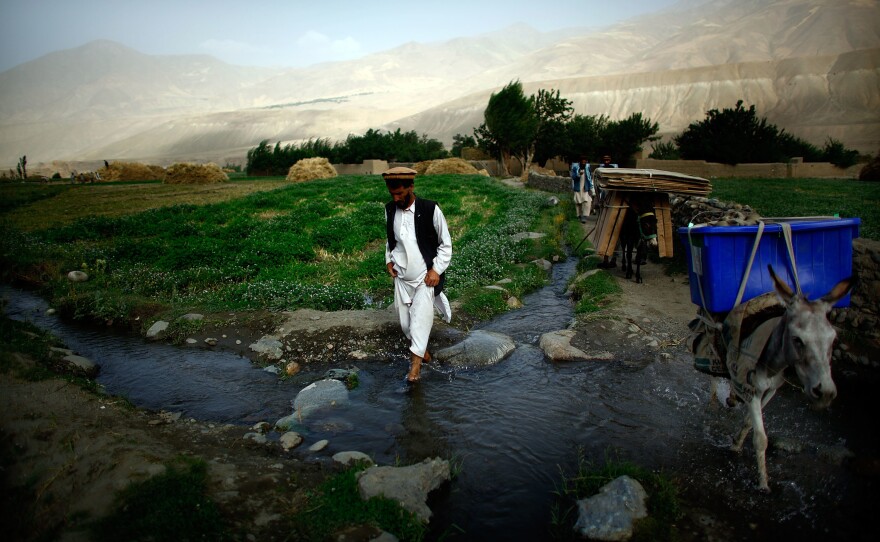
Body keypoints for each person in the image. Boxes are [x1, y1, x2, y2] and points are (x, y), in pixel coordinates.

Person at [383, 167, 453, 383]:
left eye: (400, 194)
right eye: (392, 194)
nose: (396, 199)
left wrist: (436, 270)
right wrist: (388, 260)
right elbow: (391, 240)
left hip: (425, 278)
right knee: (406, 325)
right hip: (402, 279)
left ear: (411, 187)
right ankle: (423, 353)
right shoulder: (390, 209)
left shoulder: (430, 209)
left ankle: (414, 370)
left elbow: (446, 244)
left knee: (419, 322)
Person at [569, 157, 593, 223]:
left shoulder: (587, 168)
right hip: (577, 188)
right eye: (582, 162)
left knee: (587, 202)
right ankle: (579, 215)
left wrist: (591, 187)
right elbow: (573, 177)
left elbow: (590, 178)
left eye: (585, 162)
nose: (584, 163)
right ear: (580, 162)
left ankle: (584, 216)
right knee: (578, 202)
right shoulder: (575, 168)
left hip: (585, 188)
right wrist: (579, 174)